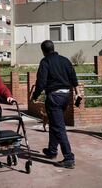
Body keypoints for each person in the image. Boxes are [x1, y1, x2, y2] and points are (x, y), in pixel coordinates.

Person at [31, 40, 80, 169]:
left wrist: (34, 96)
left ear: (43, 51)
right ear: (53, 48)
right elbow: (74, 78)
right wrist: (77, 94)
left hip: (54, 98)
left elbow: (41, 83)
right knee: (54, 123)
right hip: (66, 97)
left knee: (59, 127)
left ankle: (69, 158)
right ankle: (52, 151)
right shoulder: (65, 60)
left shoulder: (45, 62)